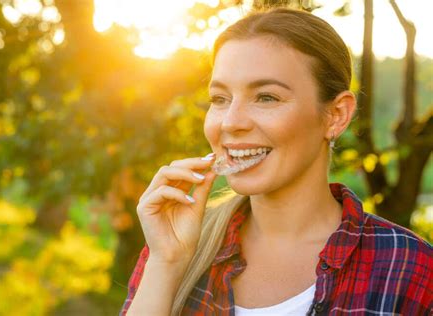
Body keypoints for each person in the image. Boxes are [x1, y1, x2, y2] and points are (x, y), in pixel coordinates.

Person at [120, 7, 432, 316]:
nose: (230, 123)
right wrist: (166, 263)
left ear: (335, 115)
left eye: (266, 97)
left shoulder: (410, 268)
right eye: (220, 99)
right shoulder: (175, 248)